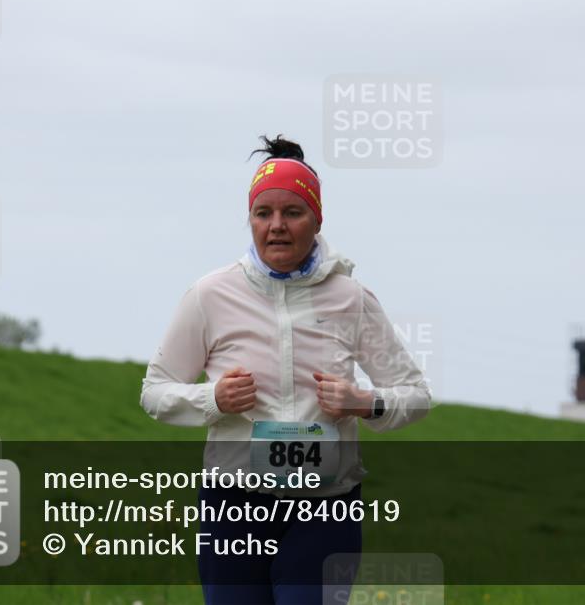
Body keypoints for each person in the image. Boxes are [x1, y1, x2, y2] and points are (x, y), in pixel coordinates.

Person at [140, 134, 431, 604]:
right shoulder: (210, 295)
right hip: (234, 507)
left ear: (317, 220)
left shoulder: (351, 299)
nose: (276, 226)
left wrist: (365, 403)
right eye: (263, 213)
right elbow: (154, 392)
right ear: (250, 220)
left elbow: (416, 395)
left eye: (292, 213)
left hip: (326, 508)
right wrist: (211, 400)